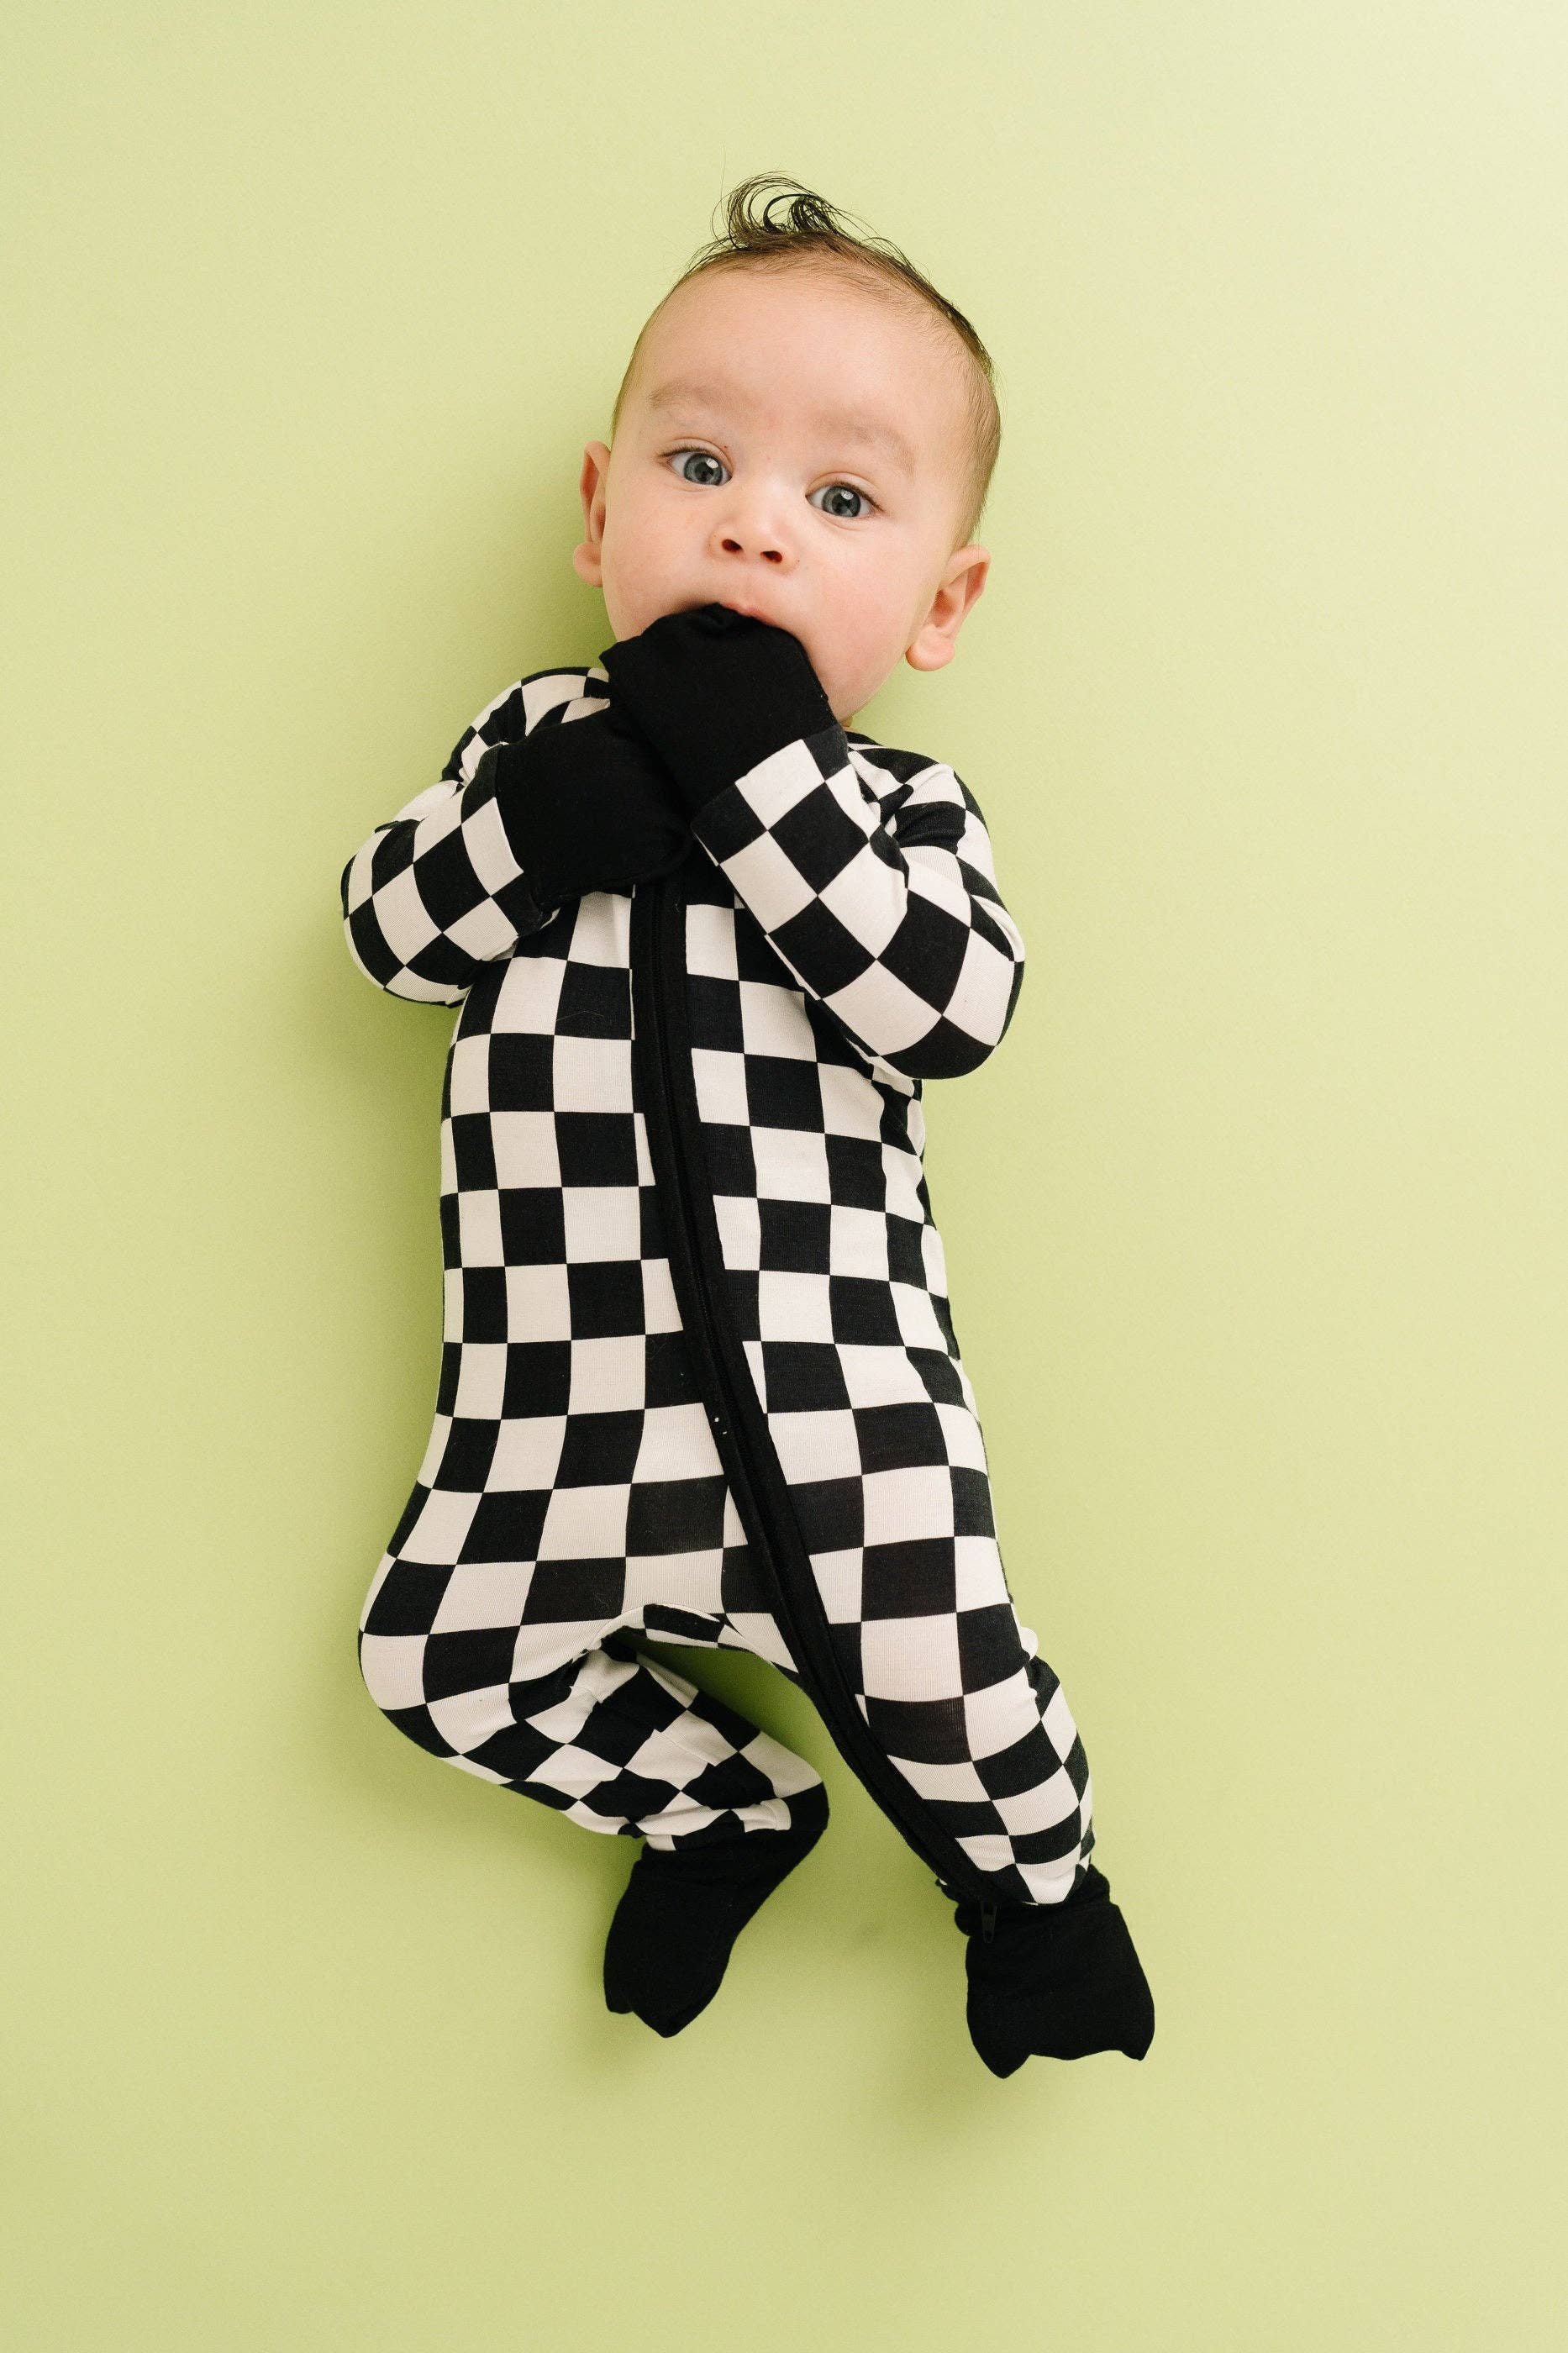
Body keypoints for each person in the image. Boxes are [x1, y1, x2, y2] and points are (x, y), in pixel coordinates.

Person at [339, 173, 1155, 2076]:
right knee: (432, 1662)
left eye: (842, 499)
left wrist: (763, 776)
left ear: (941, 603)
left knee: (955, 1688)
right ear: (599, 510)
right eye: (697, 462)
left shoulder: (898, 810)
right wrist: (538, 825)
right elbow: (386, 933)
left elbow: (947, 1006)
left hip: (834, 1419)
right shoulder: (530, 746)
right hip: (544, 1413)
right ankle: (722, 1806)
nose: (753, 522)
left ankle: (1044, 1900)